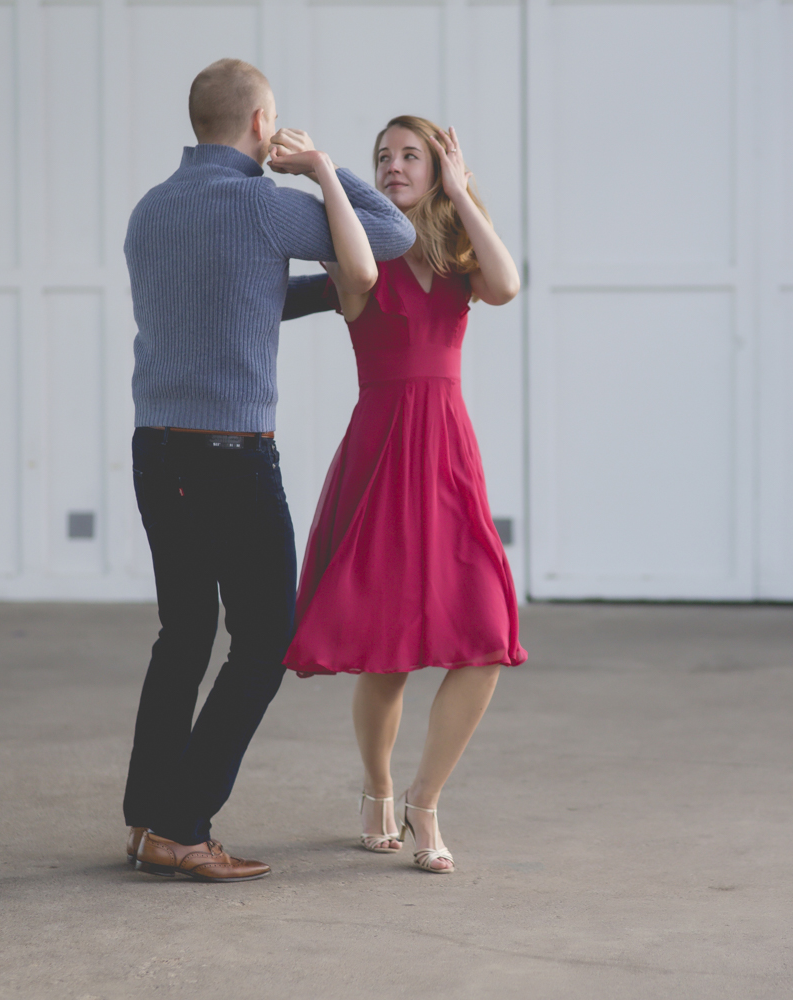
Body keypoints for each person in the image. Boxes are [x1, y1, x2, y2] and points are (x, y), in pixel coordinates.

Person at [121, 59, 416, 883]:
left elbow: (228, 296)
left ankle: (148, 821)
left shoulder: (152, 210)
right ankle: (185, 826)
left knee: (182, 634)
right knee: (262, 642)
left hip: (157, 450)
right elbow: (391, 236)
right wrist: (322, 166)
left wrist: (319, 295)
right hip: (232, 457)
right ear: (260, 126)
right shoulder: (259, 202)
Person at [272, 116, 527, 873]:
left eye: (409, 155)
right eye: (382, 157)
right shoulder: (360, 260)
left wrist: (463, 191)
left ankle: (425, 800)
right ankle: (378, 791)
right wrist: (325, 172)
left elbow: (507, 284)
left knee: (484, 637)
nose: (392, 166)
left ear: (438, 166)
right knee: (388, 654)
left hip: (447, 454)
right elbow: (347, 264)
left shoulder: (458, 264)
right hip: (382, 455)